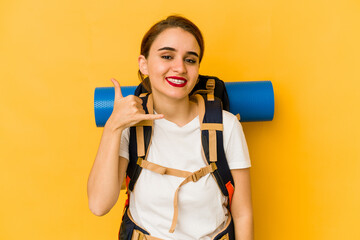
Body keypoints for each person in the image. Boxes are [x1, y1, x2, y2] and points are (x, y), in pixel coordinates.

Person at [87, 15, 253, 240]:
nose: (180, 68)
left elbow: (242, 214)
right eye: (167, 56)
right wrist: (113, 126)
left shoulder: (227, 126)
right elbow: (99, 205)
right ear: (143, 64)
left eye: (190, 60)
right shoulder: (129, 125)